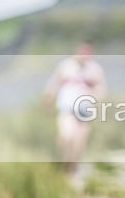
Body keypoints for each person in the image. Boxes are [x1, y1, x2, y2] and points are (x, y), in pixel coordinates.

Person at [43, 42, 106, 174]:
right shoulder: (65, 65)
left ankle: (72, 167)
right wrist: (48, 96)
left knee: (79, 141)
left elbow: (101, 89)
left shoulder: (94, 69)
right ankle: (63, 163)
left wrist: (94, 99)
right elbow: (55, 82)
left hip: (85, 108)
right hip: (66, 106)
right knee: (66, 135)